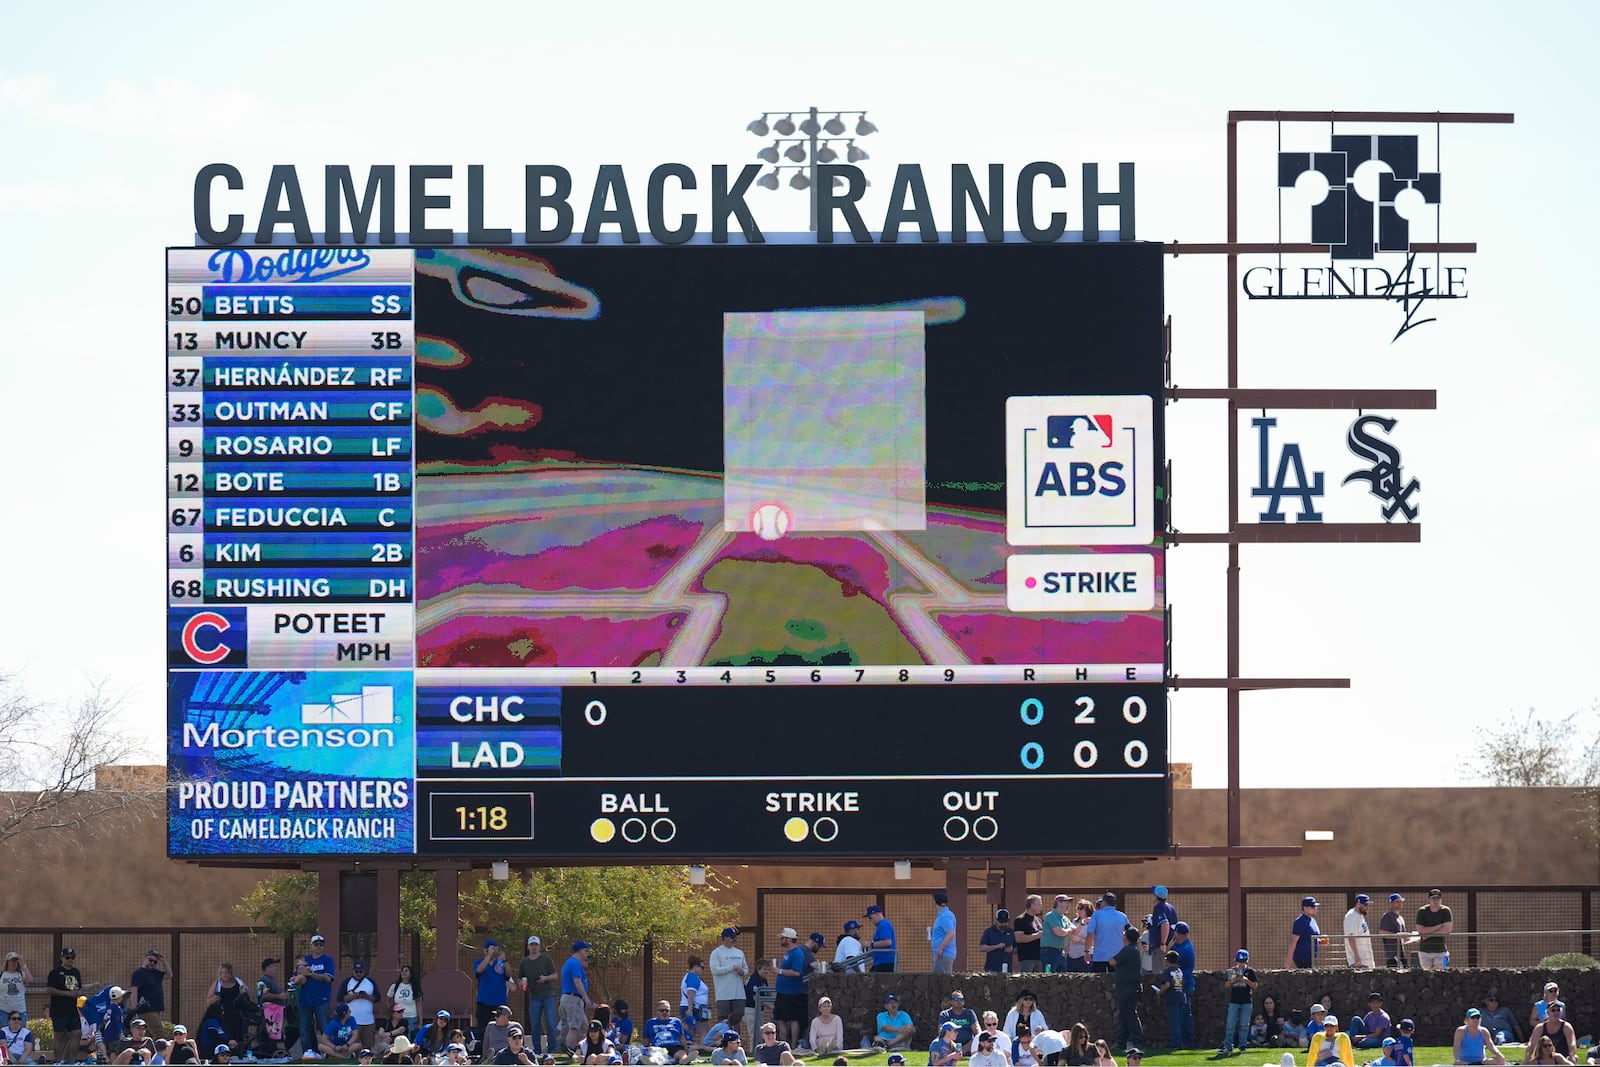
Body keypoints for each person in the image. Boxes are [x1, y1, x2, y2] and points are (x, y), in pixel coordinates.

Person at [295, 934, 338, 1055]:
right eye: (316, 944)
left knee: (325, 1029)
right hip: (305, 1000)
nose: (318, 947)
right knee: (304, 1030)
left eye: (321, 945)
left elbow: (327, 978)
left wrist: (310, 974)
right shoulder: (305, 959)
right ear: (311, 946)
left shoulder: (328, 960)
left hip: (321, 999)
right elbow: (298, 976)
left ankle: (330, 1054)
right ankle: (307, 1054)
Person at [46, 946, 84, 1064]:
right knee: (60, 1035)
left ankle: (71, 1061)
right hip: (59, 1009)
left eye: (72, 957)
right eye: (67, 957)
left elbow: (79, 988)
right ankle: (58, 1061)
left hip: (73, 1009)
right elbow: (49, 989)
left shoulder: (76, 972)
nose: (70, 959)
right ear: (62, 958)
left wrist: (79, 993)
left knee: (77, 1033)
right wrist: (67, 993)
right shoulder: (55, 973)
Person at [709, 928, 749, 1033]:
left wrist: (742, 971)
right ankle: (723, 1043)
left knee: (737, 1019)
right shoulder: (717, 953)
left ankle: (737, 1042)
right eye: (732, 937)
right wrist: (731, 968)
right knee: (723, 1020)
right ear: (725, 938)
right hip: (723, 994)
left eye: (735, 937)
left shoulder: (739, 953)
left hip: (738, 993)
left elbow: (746, 969)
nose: (734, 939)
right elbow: (715, 970)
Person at [1110, 928, 1143, 1053]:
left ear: (1127, 938)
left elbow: (1113, 961)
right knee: (1124, 1016)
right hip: (1129, 988)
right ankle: (1120, 1042)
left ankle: (1138, 1041)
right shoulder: (1134, 950)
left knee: (1129, 1015)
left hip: (1127, 989)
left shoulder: (1128, 950)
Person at [774, 929, 808, 1049]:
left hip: (791, 992)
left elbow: (797, 972)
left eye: (783, 938)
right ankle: (784, 1044)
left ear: (788, 939)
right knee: (780, 1019)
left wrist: (780, 971)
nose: (781, 940)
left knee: (793, 1019)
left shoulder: (796, 953)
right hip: (782, 991)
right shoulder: (788, 953)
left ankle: (793, 1045)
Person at [1219, 949, 1257, 1056]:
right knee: (1230, 1024)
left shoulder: (1250, 972)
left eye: (1243, 962)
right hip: (1234, 1002)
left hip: (1246, 1002)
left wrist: (1246, 980)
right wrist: (1233, 980)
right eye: (1239, 962)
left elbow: (1255, 986)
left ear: (1246, 961)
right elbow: (1226, 986)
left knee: (1244, 1025)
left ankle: (1242, 1045)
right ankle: (1227, 1046)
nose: (1241, 964)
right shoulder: (1231, 971)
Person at [561, 941, 595, 1056]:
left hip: (570, 999)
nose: (587, 953)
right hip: (573, 999)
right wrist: (586, 998)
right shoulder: (574, 963)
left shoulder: (572, 963)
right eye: (586, 950)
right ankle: (569, 1049)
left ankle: (582, 1049)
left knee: (584, 1027)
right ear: (580, 951)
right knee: (574, 1027)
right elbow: (577, 981)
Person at [129, 949, 172, 1039]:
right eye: (150, 960)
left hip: (156, 1008)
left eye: (155, 962)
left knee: (148, 1034)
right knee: (159, 1033)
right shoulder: (139, 973)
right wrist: (134, 1007)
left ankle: (148, 1051)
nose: (152, 963)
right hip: (146, 1009)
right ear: (145, 959)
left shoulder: (155, 973)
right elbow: (134, 990)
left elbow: (169, 975)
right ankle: (160, 1051)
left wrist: (164, 961)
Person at [340, 959, 379, 1051]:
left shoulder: (370, 982)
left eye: (360, 971)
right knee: (353, 1045)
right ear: (352, 971)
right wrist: (354, 996)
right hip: (352, 1020)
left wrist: (366, 996)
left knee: (368, 1045)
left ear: (364, 971)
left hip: (368, 1020)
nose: (358, 973)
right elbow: (340, 998)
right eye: (356, 971)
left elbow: (377, 998)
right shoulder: (347, 982)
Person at [473, 941, 511, 1033]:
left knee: (502, 1028)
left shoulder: (500, 964)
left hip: (500, 1001)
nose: (494, 951)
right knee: (483, 1028)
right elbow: (478, 971)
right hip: (484, 1001)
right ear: (485, 950)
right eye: (492, 949)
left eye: (496, 949)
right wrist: (488, 956)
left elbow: (508, 975)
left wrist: (505, 960)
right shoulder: (478, 962)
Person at [1087, 894, 1131, 973]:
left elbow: (1090, 934)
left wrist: (1086, 951)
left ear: (1104, 902)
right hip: (1118, 956)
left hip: (1100, 956)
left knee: (1097, 982)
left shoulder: (1097, 915)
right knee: (1117, 982)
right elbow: (1129, 933)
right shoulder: (1123, 916)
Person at [1156, 951, 1188, 1054]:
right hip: (1181, 997)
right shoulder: (1179, 970)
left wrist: (1160, 992)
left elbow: (1167, 984)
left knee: (1174, 1021)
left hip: (1173, 998)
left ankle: (1175, 1043)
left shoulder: (1167, 971)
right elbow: (1183, 982)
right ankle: (1181, 1041)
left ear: (1167, 960)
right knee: (1179, 1020)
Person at [1170, 922, 1196, 1048]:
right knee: (1184, 1014)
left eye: (1175, 932)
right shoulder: (1183, 946)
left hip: (1184, 985)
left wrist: (1170, 948)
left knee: (1184, 1015)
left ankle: (1187, 1041)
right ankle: (1186, 1041)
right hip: (1185, 984)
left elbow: (1170, 961)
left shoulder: (1183, 950)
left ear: (1179, 934)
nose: (1173, 934)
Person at [1416, 890, 1454, 970]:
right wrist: (1438, 926)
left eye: (1438, 898)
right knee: (1426, 974)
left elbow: (1447, 930)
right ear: (1429, 900)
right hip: (1424, 951)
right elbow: (1421, 930)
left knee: (1443, 972)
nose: (1436, 901)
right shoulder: (1422, 911)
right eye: (1433, 898)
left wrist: (1428, 935)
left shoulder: (1446, 911)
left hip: (1441, 950)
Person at [386, 964, 422, 1040]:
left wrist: (420, 1022)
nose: (403, 973)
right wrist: (391, 1013)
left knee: (409, 1039)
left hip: (411, 1018)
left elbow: (419, 1005)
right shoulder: (394, 986)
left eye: (406, 971)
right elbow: (388, 999)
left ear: (411, 974)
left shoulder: (415, 987)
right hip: (398, 1019)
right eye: (402, 971)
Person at [680, 956, 708, 1045]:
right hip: (694, 1008)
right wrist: (690, 1009)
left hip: (697, 1008)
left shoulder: (693, 977)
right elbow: (691, 993)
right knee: (704, 1030)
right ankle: (703, 1048)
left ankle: (688, 1046)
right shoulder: (692, 977)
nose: (703, 970)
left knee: (692, 1030)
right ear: (695, 966)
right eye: (701, 967)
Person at [1286, 899, 1321, 969]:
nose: (1315, 909)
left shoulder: (1313, 921)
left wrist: (1319, 940)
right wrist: (1289, 960)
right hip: (1303, 958)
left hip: (1312, 957)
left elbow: (1309, 937)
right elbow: (1294, 941)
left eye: (1315, 907)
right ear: (1305, 908)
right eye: (1312, 907)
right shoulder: (1300, 921)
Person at [1041, 895, 1073, 973]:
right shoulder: (1051, 915)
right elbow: (1059, 932)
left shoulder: (1065, 919)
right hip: (1049, 952)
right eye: (1066, 902)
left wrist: (1083, 923)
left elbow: (1074, 930)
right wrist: (1069, 930)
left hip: (1061, 952)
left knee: (1063, 979)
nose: (1069, 905)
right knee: (1049, 977)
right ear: (1059, 903)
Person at [1014, 896, 1044, 973]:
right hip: (1027, 958)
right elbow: (1019, 938)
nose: (1041, 907)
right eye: (1039, 905)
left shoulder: (1038, 920)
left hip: (1038, 957)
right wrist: (1037, 935)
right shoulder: (1020, 920)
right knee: (1026, 982)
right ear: (1032, 905)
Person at [1343, 896, 1375, 969]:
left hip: (1366, 959)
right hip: (1359, 961)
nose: (1367, 907)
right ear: (1358, 904)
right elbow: (1351, 937)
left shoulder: (1360, 916)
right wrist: (1356, 956)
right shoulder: (1351, 916)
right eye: (1365, 905)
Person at [931, 892, 959, 973]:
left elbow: (951, 933)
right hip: (943, 954)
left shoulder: (944, 916)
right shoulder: (946, 915)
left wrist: (940, 948)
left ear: (937, 902)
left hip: (944, 954)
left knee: (941, 981)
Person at [1379, 895, 1409, 969]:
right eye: (1397, 902)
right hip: (1392, 955)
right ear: (1391, 903)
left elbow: (1402, 936)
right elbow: (1382, 932)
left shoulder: (1401, 918)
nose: (1400, 903)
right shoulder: (1387, 916)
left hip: (1401, 953)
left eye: (1401, 902)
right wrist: (1398, 935)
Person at [866, 904, 898, 972]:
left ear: (877, 914)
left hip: (885, 962)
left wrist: (870, 944)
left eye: (870, 918)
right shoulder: (882, 925)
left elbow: (887, 942)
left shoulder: (884, 925)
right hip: (882, 961)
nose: (870, 920)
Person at [0, 955, 30, 1029]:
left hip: (20, 1010)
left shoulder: (21, 974)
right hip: (4, 1010)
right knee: (5, 1033)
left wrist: (24, 966)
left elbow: (30, 980)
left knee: (21, 1033)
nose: (14, 963)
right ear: (7, 962)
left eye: (16, 961)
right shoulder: (1, 974)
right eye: (12, 961)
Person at [1066, 901, 1095, 973]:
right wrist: (1082, 923)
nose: (1079, 910)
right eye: (1078, 908)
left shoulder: (1093, 923)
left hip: (1084, 956)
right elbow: (1072, 935)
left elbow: (1094, 942)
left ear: (1087, 910)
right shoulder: (1074, 922)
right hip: (1071, 956)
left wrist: (1080, 940)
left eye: (1081, 908)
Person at [1150, 887, 1177, 954]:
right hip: (1171, 946)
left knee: (1159, 964)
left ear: (1156, 897)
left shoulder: (1158, 907)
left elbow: (1165, 923)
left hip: (1161, 948)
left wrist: (1163, 943)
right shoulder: (1171, 908)